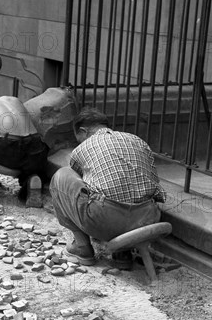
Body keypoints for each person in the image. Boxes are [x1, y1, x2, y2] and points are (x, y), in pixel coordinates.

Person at [49, 107, 166, 269]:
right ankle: (123, 252)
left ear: (82, 131)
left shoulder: (82, 148)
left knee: (62, 176)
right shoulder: (138, 140)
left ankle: (82, 247)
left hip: (106, 220)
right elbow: (157, 189)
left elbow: (82, 186)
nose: (79, 142)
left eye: (78, 138)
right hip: (148, 219)